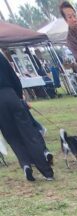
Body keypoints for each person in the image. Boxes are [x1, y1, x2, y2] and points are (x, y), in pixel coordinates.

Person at [0, 50, 53, 181]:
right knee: (30, 133)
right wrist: (18, 96)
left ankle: (25, 164)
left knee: (12, 137)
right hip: (10, 94)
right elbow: (14, 77)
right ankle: (47, 172)